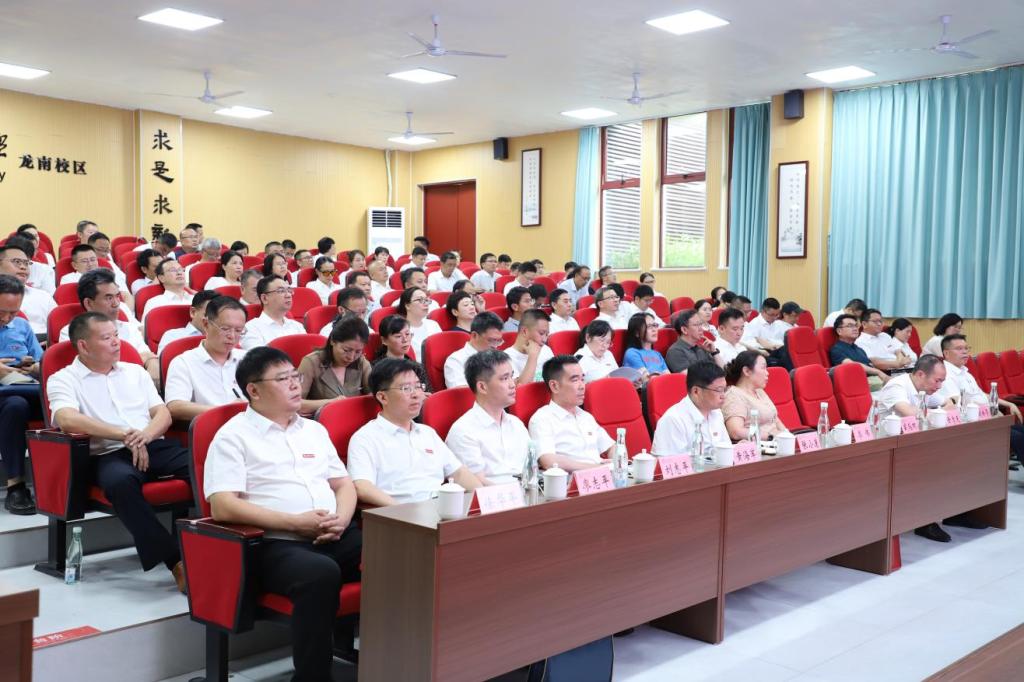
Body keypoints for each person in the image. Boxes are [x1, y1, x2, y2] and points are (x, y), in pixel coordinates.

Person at [204, 346, 362, 681]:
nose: (294, 384)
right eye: (283, 379)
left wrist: (342, 520)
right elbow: (222, 505)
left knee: (395, 553)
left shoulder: (314, 430)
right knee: (320, 573)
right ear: (254, 390)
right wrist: (295, 524)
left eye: (295, 376)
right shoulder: (233, 436)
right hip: (274, 544)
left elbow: (344, 485)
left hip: (332, 532)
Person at [48, 312, 190, 590]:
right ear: (83, 345)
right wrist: (124, 434)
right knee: (120, 483)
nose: (116, 342)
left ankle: (219, 546)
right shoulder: (63, 379)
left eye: (116, 335)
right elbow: (67, 419)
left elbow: (162, 413)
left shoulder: (135, 372)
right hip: (106, 453)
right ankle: (176, 562)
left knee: (205, 466)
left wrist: (144, 436)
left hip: (152, 443)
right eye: (106, 338)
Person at [348, 358, 479, 505]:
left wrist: (484, 498)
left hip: (440, 508)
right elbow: (362, 487)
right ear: (383, 397)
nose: (416, 394)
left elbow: (459, 473)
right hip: (398, 513)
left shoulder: (427, 433)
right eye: (406, 388)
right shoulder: (365, 438)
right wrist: (402, 512)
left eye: (418, 386)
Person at [445, 350, 530, 485]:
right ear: (482, 387)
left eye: (512, 376)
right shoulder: (463, 431)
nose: (512, 384)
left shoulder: (516, 423)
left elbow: (531, 469)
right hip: (493, 496)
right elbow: (476, 483)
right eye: (504, 378)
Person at [938, 333, 1024, 464]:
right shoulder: (946, 375)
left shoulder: (964, 372)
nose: (965, 352)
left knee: (1021, 431)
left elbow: (982, 395)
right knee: (1018, 438)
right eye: (959, 349)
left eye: (966, 348)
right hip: (974, 423)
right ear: (946, 353)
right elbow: (960, 403)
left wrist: (1009, 404)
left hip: (988, 418)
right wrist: (992, 413)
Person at [58, 269, 159, 381]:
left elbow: (148, 356)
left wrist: (151, 361)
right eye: (109, 298)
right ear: (89, 303)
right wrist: (138, 358)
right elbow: (90, 367)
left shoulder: (130, 328)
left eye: (117, 296)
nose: (116, 303)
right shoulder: (71, 332)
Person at [164, 296, 247, 420]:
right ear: (206, 324)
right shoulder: (184, 362)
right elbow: (175, 406)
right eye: (225, 329)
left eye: (239, 330)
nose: (232, 336)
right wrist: (226, 411)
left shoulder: (248, 359)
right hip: (212, 427)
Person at [0, 275, 42, 514]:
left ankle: (67, 479)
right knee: (15, 405)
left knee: (57, 402)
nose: (7, 318)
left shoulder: (22, 326)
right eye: (1, 312)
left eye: (13, 312)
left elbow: (41, 363)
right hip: (7, 398)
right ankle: (16, 486)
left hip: (24, 387)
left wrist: (33, 367)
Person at [528, 355, 615, 471]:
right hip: (572, 480)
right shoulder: (542, 419)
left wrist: (617, 464)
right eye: (575, 380)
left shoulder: (586, 417)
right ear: (554, 386)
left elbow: (612, 446)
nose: (582, 386)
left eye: (582, 379)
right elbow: (548, 461)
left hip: (602, 476)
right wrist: (597, 468)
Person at [652, 361, 731, 455]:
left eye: (724, 389)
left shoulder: (716, 412)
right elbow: (668, 462)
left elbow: (725, 449)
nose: (723, 396)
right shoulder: (673, 419)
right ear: (696, 391)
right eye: (719, 390)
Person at [297, 317, 372, 414]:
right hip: (322, 420)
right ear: (332, 341)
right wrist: (330, 403)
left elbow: (374, 395)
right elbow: (295, 403)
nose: (351, 357)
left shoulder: (361, 362)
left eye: (358, 351)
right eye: (346, 350)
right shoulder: (311, 362)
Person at [722, 351, 787, 441]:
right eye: (763, 368)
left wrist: (787, 435)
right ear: (746, 371)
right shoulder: (733, 395)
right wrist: (769, 437)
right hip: (762, 444)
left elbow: (774, 418)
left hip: (777, 441)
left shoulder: (759, 391)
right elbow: (735, 432)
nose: (767, 373)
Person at [0, 244, 55, 336]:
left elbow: (58, 329)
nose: (23, 267)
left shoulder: (44, 296)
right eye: (17, 262)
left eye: (26, 263)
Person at [241, 276, 305, 351]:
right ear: (264, 298)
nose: (288, 295)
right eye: (281, 291)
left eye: (289, 290)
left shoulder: (297, 326)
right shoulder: (251, 328)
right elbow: (257, 357)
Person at [443, 311, 505, 388]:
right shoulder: (456, 360)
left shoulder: (498, 356)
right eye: (491, 340)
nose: (496, 346)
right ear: (474, 335)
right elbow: (461, 392)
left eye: (499, 341)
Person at [830, 314, 891, 388]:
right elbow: (852, 365)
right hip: (857, 384)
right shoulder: (837, 349)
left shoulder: (859, 349)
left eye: (856, 325)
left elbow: (870, 365)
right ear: (839, 331)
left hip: (873, 381)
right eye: (850, 326)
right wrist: (878, 372)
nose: (855, 329)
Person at [157, 289, 218, 355]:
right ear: (193, 312)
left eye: (217, 316)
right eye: (208, 314)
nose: (213, 320)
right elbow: (165, 360)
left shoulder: (222, 338)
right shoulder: (172, 336)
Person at [855, 309, 913, 373]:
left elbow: (898, 351)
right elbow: (874, 362)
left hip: (900, 369)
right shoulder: (860, 342)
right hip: (884, 373)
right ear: (864, 324)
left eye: (881, 321)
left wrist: (901, 362)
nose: (879, 324)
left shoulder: (885, 336)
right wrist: (897, 364)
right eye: (875, 321)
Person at [504, 309, 553, 384]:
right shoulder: (505, 358)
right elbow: (520, 388)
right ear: (524, 331)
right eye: (541, 333)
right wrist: (533, 357)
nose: (544, 340)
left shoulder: (546, 350)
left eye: (547, 334)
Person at [666, 309, 718, 373]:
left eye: (701, 324)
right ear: (684, 330)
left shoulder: (701, 348)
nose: (701, 329)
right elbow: (689, 377)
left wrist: (714, 352)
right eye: (696, 325)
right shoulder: (675, 351)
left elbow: (721, 370)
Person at [396, 287, 441, 359]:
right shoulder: (399, 331)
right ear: (407, 305)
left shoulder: (433, 324)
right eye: (420, 300)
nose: (425, 304)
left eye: (426, 300)